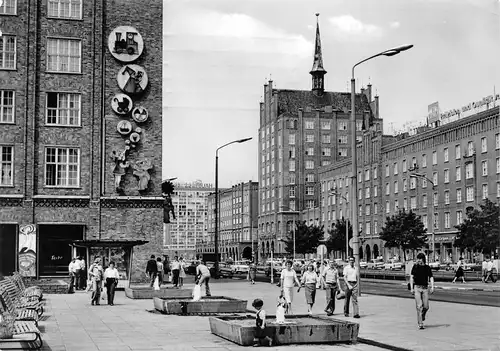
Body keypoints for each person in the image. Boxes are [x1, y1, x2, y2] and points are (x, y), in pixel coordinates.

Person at [410, 252, 434, 329]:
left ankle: (423, 315)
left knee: (426, 306)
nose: (419, 260)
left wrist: (432, 287)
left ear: (423, 259)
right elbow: (411, 277)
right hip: (417, 288)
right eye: (418, 259)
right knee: (419, 306)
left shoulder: (427, 268)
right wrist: (411, 288)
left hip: (425, 288)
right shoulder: (415, 267)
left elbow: (431, 277)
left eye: (420, 259)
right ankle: (420, 323)